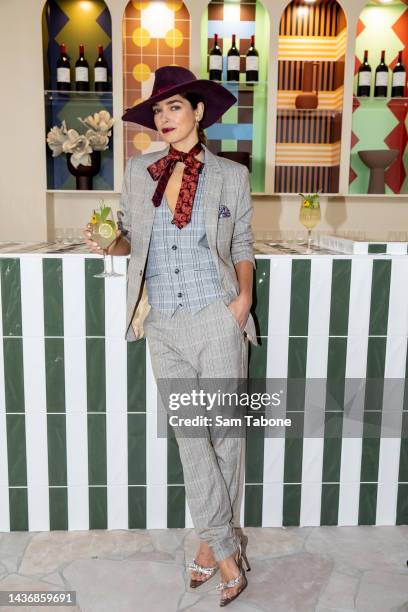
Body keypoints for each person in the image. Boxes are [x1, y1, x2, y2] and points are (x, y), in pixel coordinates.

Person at [84, 66, 258, 607]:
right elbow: (129, 241)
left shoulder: (231, 174)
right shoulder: (139, 171)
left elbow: (245, 242)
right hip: (162, 321)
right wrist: (106, 242)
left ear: (199, 113)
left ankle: (208, 550)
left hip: (216, 313)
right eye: (157, 110)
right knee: (191, 436)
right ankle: (227, 550)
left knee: (225, 438)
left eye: (174, 107)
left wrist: (243, 302)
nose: (163, 118)